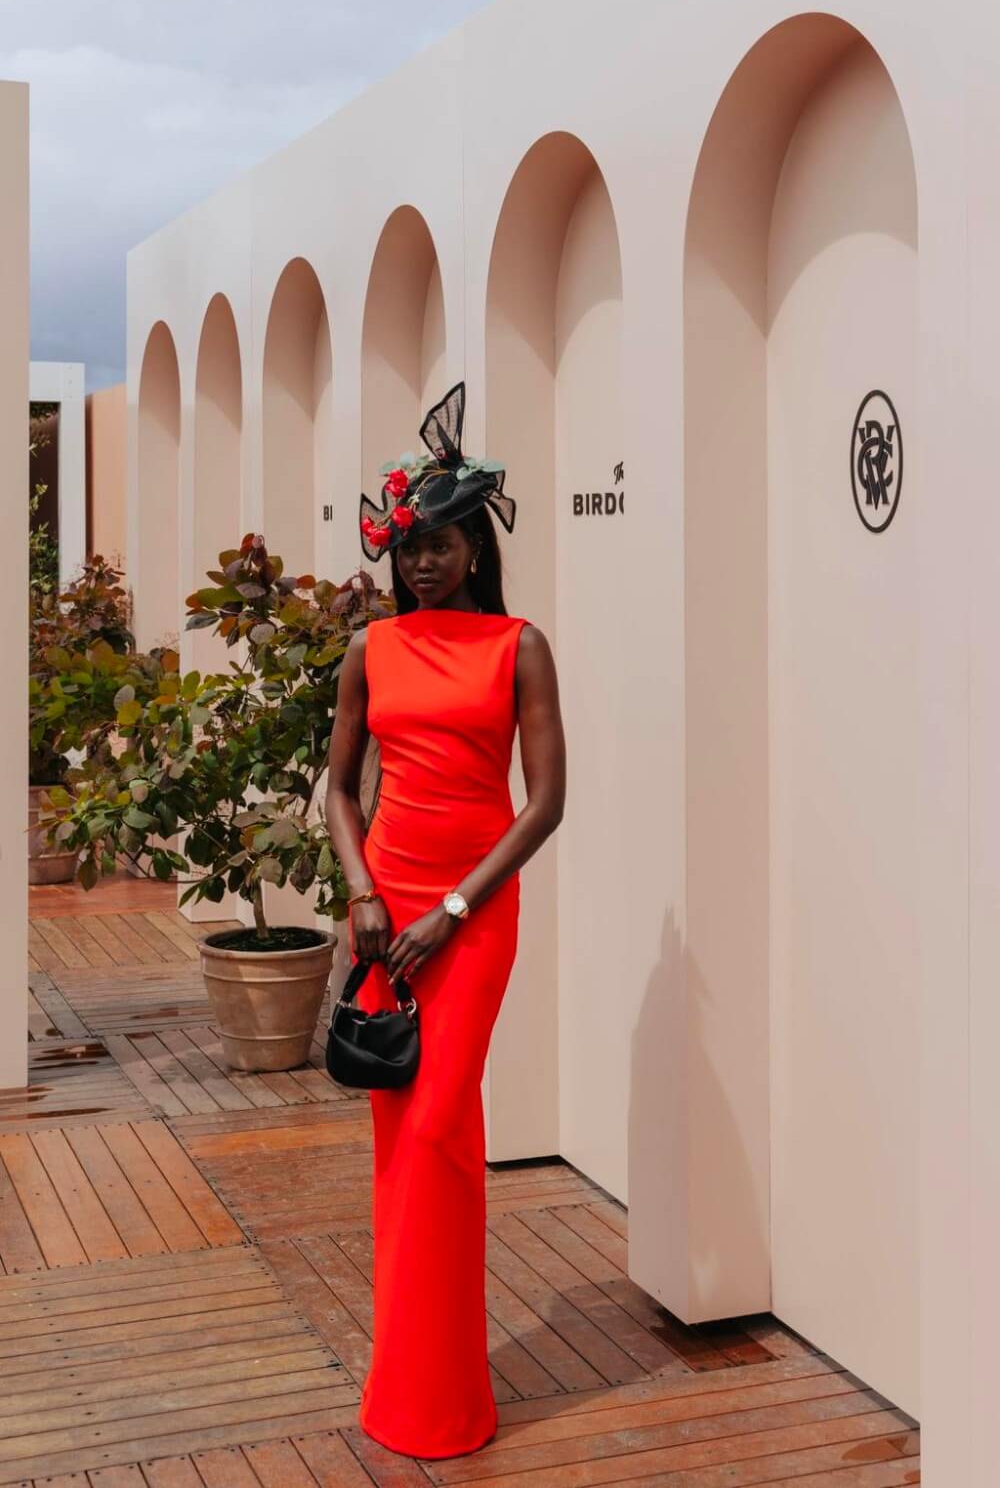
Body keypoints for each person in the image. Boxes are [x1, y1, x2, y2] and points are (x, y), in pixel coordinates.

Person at [324, 381, 566, 1458]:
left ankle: (446, 1400)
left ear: (475, 545)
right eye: (408, 545)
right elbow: (334, 789)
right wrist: (365, 897)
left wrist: (455, 907)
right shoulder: (370, 652)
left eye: (441, 542)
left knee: (436, 1130)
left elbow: (546, 802)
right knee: (401, 1139)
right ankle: (412, 1392)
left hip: (473, 915)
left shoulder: (518, 646)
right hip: (386, 915)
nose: (422, 561)